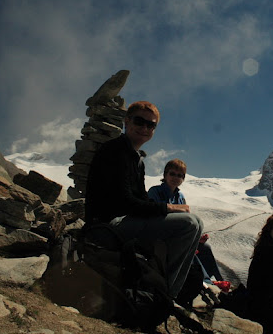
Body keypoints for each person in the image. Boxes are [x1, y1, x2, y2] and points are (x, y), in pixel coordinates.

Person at [83, 101, 203, 299]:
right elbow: (125, 203)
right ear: (127, 121)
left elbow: (140, 199)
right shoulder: (115, 151)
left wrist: (164, 209)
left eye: (151, 125)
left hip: (121, 223)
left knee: (196, 223)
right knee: (189, 224)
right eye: (140, 121)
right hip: (106, 227)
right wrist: (167, 207)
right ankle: (163, 295)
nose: (145, 128)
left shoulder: (136, 158)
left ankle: (167, 292)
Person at [147, 158, 225, 284]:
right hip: (161, 235)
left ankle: (218, 280)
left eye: (179, 175)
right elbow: (153, 215)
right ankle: (206, 282)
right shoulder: (155, 191)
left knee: (205, 247)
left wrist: (197, 237)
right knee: (188, 247)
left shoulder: (180, 197)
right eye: (172, 173)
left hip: (178, 235)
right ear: (165, 174)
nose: (175, 178)